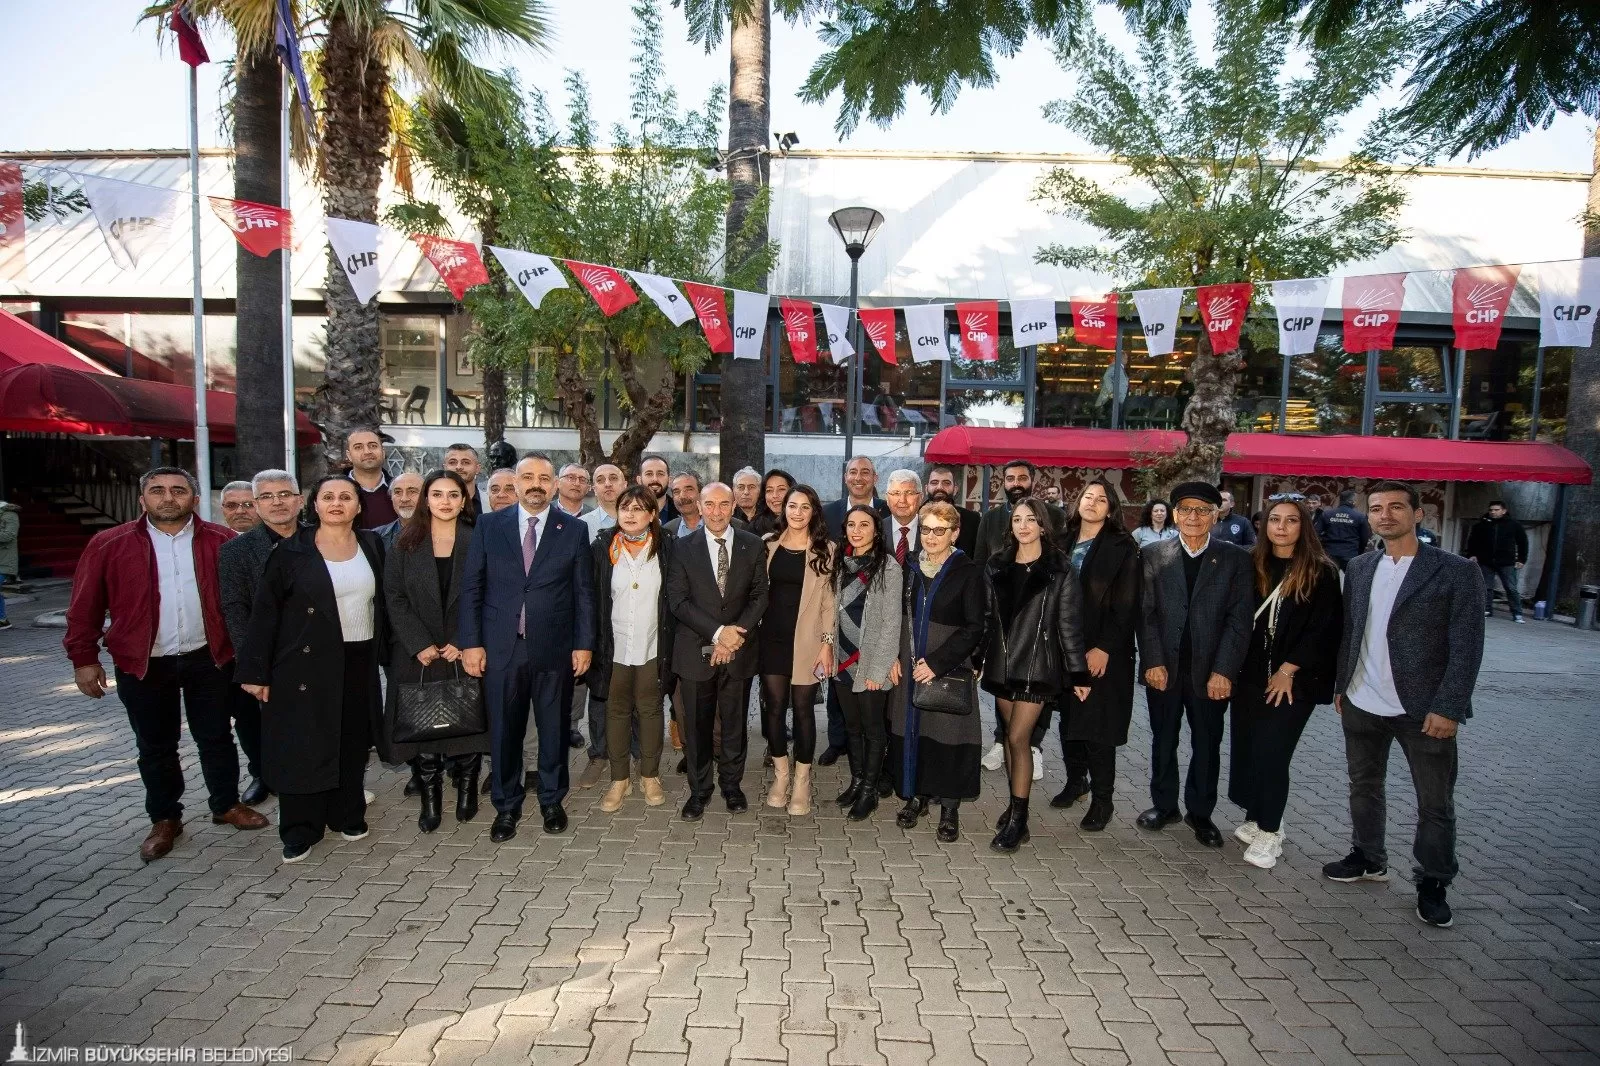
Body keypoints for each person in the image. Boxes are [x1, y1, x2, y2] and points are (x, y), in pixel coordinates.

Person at [65, 467, 268, 861]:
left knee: (215, 737)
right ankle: (165, 818)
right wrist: (83, 658)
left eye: (178, 490)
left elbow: (249, 604)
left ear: (194, 499)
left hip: (210, 658)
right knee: (155, 745)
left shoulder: (223, 542)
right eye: (157, 491)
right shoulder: (110, 543)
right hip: (144, 663)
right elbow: (84, 606)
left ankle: (225, 804)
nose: (168, 498)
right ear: (143, 500)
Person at [1324, 481, 1484, 928]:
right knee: (1364, 786)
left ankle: (1433, 882)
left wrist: (1450, 706)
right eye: (1377, 509)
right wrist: (1343, 683)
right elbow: (1352, 629)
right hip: (1361, 700)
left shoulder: (1454, 570)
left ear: (1419, 514)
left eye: (1396, 507)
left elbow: (1467, 646)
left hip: (1424, 710)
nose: (1385, 515)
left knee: (1434, 803)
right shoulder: (1359, 566)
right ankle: (1368, 857)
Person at [235, 475, 383, 862]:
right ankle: (301, 827)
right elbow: (264, 614)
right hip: (303, 663)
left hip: (358, 656)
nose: (337, 503)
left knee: (351, 740)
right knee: (303, 744)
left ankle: (347, 813)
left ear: (358, 505)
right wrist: (256, 672)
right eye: (328, 497)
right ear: (313, 505)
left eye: (345, 497)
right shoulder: (291, 551)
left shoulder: (372, 544)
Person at [458, 454, 596, 842]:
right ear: (514, 484)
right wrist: (471, 643)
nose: (536, 484)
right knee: (504, 730)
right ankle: (506, 805)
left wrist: (584, 644)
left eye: (544, 478)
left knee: (554, 729)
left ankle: (552, 799)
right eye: (528, 477)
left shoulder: (572, 529)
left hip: (554, 647)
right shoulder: (488, 526)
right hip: (502, 648)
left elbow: (584, 594)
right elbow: (472, 588)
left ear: (554, 485)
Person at [1135, 482, 1254, 848]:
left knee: (1207, 743)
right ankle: (1165, 805)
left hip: (1210, 673)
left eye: (1203, 510)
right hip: (1164, 668)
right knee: (1163, 739)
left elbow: (1239, 619)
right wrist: (1152, 660)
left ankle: (1200, 813)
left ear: (1215, 515)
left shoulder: (1234, 558)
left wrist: (1224, 671)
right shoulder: (1154, 554)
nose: (1193, 517)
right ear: (1174, 514)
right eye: (1186, 509)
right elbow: (1146, 614)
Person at [1228, 495, 1342, 869]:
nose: (1281, 526)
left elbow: (1325, 629)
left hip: (1294, 679)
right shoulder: (1249, 562)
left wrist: (1288, 669)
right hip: (1248, 675)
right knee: (1248, 748)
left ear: (1303, 526)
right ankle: (1260, 814)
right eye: (1274, 519)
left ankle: (1270, 831)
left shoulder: (1321, 570)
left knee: (1273, 752)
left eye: (1291, 520)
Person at [382, 470, 490, 832]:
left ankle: (467, 790)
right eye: (437, 494)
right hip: (419, 652)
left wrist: (464, 640)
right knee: (423, 726)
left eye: (453, 495)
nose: (445, 501)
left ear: (464, 501)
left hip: (465, 647)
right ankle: (430, 799)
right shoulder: (403, 543)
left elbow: (489, 596)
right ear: (425, 500)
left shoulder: (479, 540)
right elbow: (394, 598)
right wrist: (419, 644)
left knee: (468, 720)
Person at [980, 497, 1090, 852]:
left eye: (1030, 519)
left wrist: (1079, 673)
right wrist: (977, 658)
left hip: (1038, 667)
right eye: (1016, 519)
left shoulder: (1060, 568)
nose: (1023, 525)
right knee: (1012, 739)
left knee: (1017, 739)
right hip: (1001, 663)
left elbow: (1070, 625)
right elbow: (985, 618)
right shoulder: (996, 564)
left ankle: (1020, 821)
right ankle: (1015, 805)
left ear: (1043, 525)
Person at [665, 482, 769, 820]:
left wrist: (734, 635)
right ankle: (699, 791)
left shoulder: (752, 546)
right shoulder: (682, 547)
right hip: (695, 652)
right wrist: (718, 633)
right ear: (698, 504)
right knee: (696, 726)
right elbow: (678, 601)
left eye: (724, 504)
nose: (716, 511)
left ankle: (731, 786)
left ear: (735, 503)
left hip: (739, 650)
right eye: (709, 504)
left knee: (735, 724)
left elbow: (759, 596)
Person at [889, 501, 988, 843]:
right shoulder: (910, 567)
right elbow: (897, 615)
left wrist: (937, 663)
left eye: (940, 530)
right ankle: (917, 796)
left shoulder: (969, 571)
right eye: (926, 529)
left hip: (947, 668)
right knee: (914, 732)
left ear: (955, 533)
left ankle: (949, 807)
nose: (931, 537)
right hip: (910, 664)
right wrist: (894, 655)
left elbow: (975, 627)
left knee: (948, 735)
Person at [1051, 478, 1141, 832]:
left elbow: (1128, 604)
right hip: (1063, 647)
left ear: (1111, 508)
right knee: (1070, 720)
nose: (1092, 502)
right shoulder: (1061, 540)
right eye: (1087, 496)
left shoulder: (1123, 546)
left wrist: (1104, 647)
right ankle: (1077, 782)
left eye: (1101, 499)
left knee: (1097, 728)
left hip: (1102, 650)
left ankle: (1103, 799)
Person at [218, 469, 305, 807]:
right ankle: (265, 776)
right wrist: (252, 666)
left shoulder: (321, 539)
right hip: (269, 656)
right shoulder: (237, 552)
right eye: (267, 497)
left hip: (319, 651)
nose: (277, 502)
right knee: (262, 725)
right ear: (256, 505)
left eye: (284, 494)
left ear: (299, 500)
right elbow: (235, 610)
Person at [974, 459, 1065, 776]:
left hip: (1038, 632)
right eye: (1009, 477)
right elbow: (979, 563)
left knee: (1034, 701)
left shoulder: (1055, 516)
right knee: (1004, 692)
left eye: (1021, 478)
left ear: (1032, 481)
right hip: (1003, 631)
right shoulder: (991, 519)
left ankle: (1034, 746)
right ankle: (1002, 741)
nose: (1015, 482)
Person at [590, 486, 675, 812]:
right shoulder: (602, 548)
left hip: (654, 645)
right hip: (614, 646)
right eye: (625, 507)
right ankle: (619, 779)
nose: (630, 514)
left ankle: (650, 776)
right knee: (616, 710)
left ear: (652, 515)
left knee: (650, 709)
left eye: (639, 509)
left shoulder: (667, 548)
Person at [759, 485, 836, 816]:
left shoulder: (826, 549)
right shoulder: (767, 545)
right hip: (771, 639)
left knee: (804, 709)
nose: (797, 512)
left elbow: (830, 603)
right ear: (784, 509)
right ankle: (781, 776)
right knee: (774, 708)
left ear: (814, 512)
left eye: (805, 507)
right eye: (792, 505)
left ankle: (803, 780)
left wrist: (827, 644)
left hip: (808, 641)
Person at [832, 505, 904, 821]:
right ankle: (858, 780)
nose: (857, 530)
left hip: (871, 663)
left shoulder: (888, 567)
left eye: (864, 524)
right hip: (842, 661)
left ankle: (870, 791)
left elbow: (891, 623)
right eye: (851, 524)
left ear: (877, 530)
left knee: (873, 730)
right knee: (852, 727)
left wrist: (879, 667)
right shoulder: (839, 564)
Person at [1465, 500, 1529, 622]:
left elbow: (1523, 542)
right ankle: (1486, 609)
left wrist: (1521, 559)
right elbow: (1473, 541)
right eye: (1491, 510)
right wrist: (1472, 554)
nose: (1493, 512)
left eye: (1496, 510)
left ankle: (1517, 613)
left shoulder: (1513, 525)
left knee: (1511, 588)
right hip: (1486, 560)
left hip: (1506, 562)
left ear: (1504, 511)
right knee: (1486, 587)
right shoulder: (1481, 525)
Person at [821, 456, 889, 539]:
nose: (858, 478)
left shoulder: (889, 511)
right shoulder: (827, 513)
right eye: (853, 472)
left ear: (875, 478)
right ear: (845, 478)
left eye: (865, 472)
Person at [345, 428, 398, 530]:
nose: (367, 451)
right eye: (358, 447)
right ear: (349, 455)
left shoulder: (400, 490)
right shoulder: (333, 492)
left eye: (373, 446)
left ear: (382, 452)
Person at [925, 465, 980, 556]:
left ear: (955, 490)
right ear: (926, 489)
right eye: (934, 482)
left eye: (946, 483)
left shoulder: (972, 520)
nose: (940, 487)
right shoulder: (916, 516)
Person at [1316, 490, 1371, 570]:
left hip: (1330, 554)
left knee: (1329, 580)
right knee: (1353, 581)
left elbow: (1316, 534)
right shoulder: (1360, 517)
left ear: (1340, 500)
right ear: (1352, 501)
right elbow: (1364, 538)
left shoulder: (1327, 514)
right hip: (1350, 553)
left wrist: (1321, 549)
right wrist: (1358, 552)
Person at [375, 472, 424, 551]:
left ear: (427, 497)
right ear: (391, 497)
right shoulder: (376, 538)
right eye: (398, 492)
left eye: (412, 492)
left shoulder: (444, 535)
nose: (404, 499)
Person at [443, 443, 488, 520]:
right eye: (453, 462)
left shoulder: (489, 503)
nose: (459, 467)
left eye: (466, 462)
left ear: (477, 468)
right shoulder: (433, 503)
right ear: (444, 467)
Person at [581, 463, 627, 538]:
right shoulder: (582, 524)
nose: (608, 484)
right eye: (600, 480)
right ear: (594, 489)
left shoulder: (641, 519)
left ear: (625, 485)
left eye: (613, 478)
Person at [751, 469, 796, 538]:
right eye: (769, 490)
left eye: (781, 489)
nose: (775, 495)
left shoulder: (807, 521)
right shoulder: (755, 526)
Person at [638, 454, 678, 523]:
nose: (655, 479)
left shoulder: (680, 512)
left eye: (660, 474)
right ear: (639, 480)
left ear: (669, 480)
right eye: (649, 474)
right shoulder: (626, 512)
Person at [0, 493, 17, 631]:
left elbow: (10, 535)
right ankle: (3, 619)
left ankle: (3, 619)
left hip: (4, 561)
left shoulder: (10, 515)